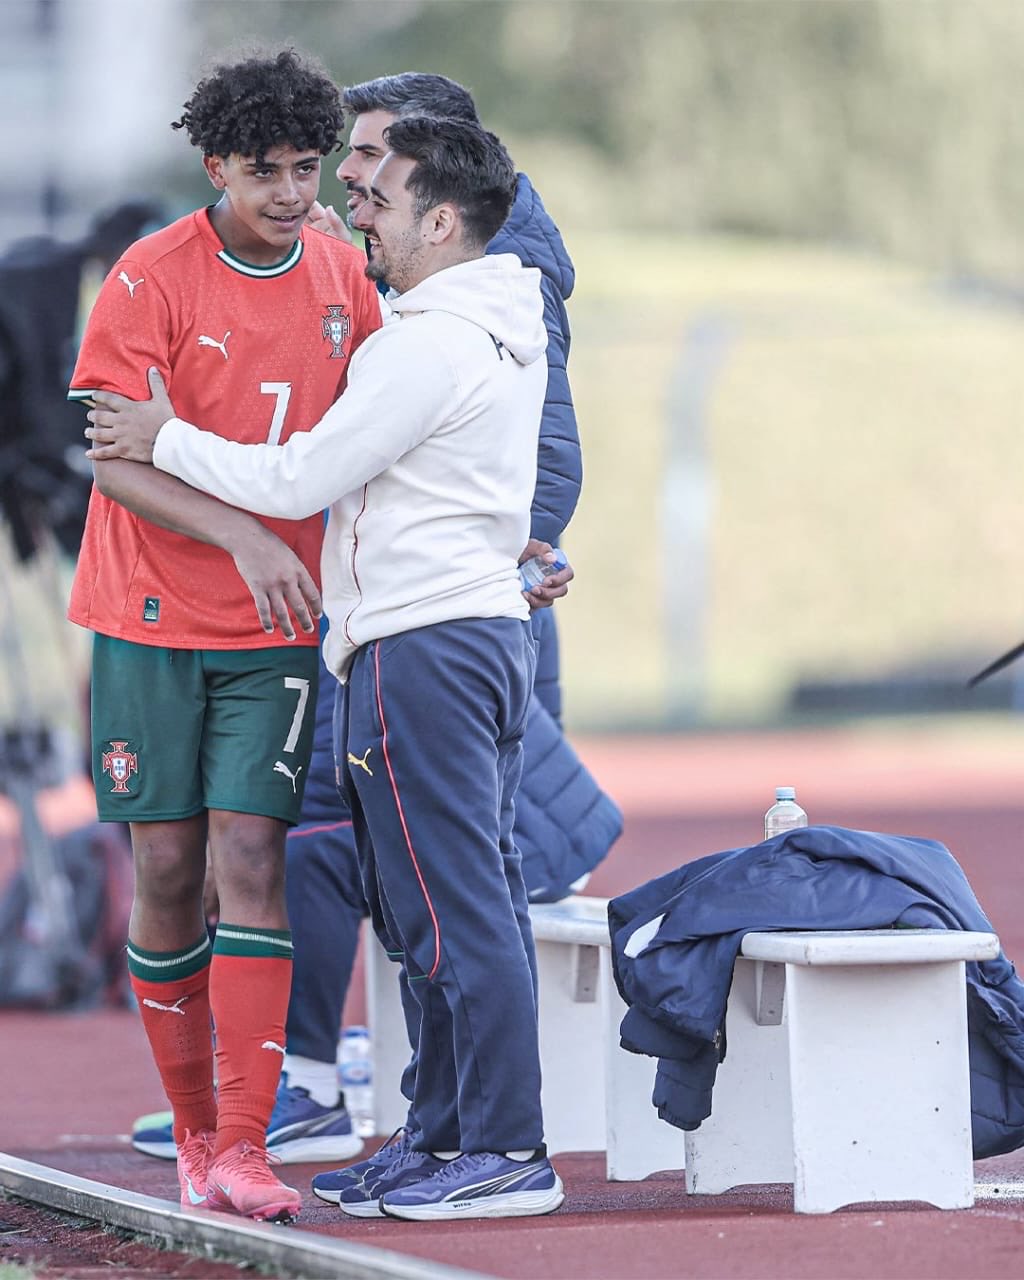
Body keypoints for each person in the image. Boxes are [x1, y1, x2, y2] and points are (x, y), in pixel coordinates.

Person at [130, 71, 622, 1177]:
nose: (348, 193)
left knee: (454, 904)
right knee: (433, 901)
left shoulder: (439, 328)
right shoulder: (462, 308)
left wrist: (162, 438)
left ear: (438, 201)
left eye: (370, 173)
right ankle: (439, 1129)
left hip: (433, 633)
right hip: (432, 622)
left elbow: (310, 473)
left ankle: (494, 1145)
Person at [66, 48, 382, 1222]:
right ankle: (192, 1128)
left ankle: (246, 1146)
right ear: (217, 166)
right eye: (267, 172)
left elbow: (394, 435)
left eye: (309, 169)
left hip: (274, 628)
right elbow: (116, 455)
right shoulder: (151, 277)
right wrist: (249, 535)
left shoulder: (350, 276)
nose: (294, 192)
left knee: (252, 857)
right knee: (167, 865)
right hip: (147, 616)